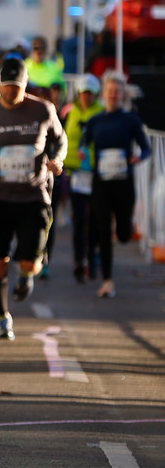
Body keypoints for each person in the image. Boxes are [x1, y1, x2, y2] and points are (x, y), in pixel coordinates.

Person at [0, 58, 67, 341]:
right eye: (6, 87)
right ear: (0, 85)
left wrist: (57, 159)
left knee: (30, 262)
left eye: (16, 88)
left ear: (25, 86)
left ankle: (27, 275)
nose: (11, 93)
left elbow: (60, 139)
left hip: (33, 196)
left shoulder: (43, 109)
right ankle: (2, 317)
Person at [79, 72, 152, 299]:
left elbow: (146, 147)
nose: (112, 95)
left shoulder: (130, 120)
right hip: (101, 182)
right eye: (109, 91)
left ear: (122, 95)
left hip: (124, 182)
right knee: (103, 229)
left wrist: (139, 157)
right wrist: (82, 150)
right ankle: (108, 281)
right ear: (104, 94)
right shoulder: (95, 121)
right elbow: (85, 140)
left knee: (122, 234)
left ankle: (124, 228)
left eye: (117, 92)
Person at [61, 73, 103, 285]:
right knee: (79, 219)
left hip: (96, 173)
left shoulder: (101, 112)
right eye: (83, 93)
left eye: (90, 94)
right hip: (76, 173)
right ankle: (78, 260)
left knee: (94, 219)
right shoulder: (72, 112)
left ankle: (93, 255)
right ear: (78, 94)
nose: (86, 97)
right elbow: (65, 140)